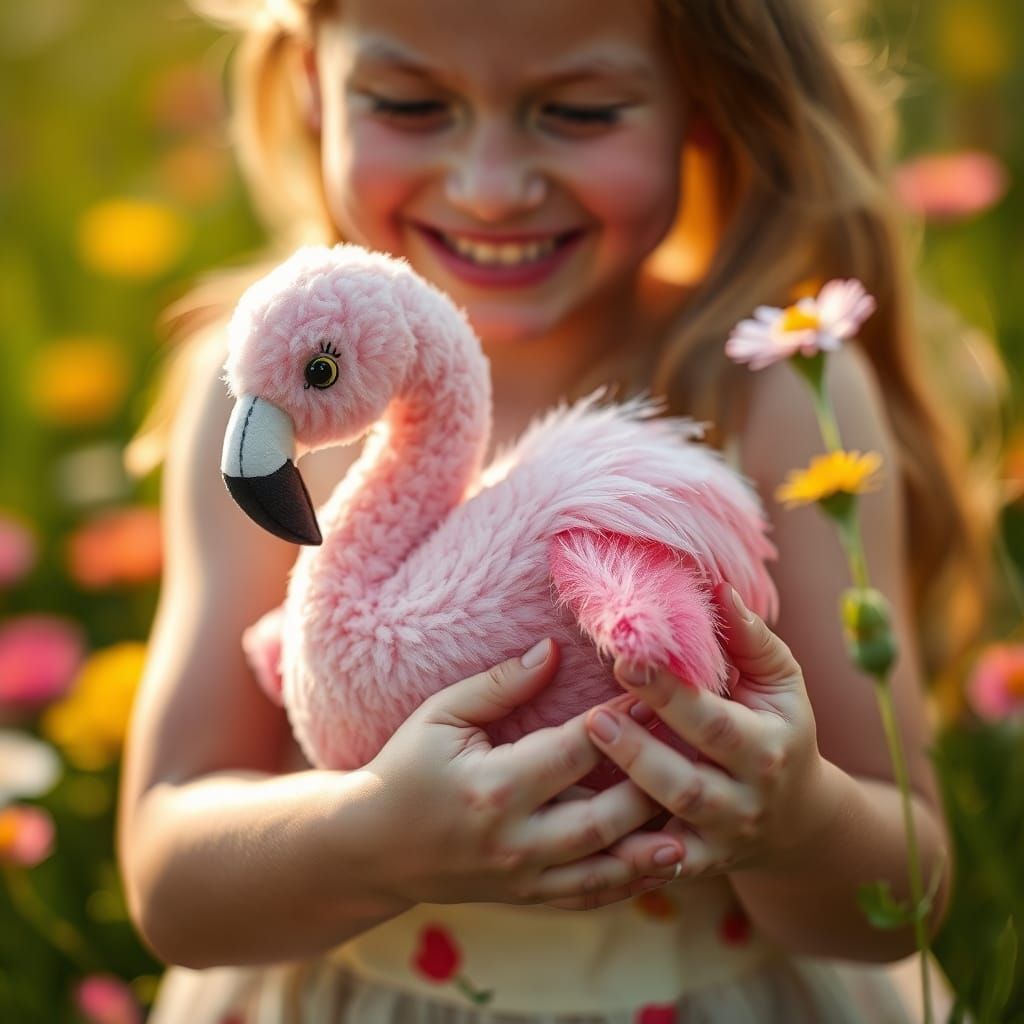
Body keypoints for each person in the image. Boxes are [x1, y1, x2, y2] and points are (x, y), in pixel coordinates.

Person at [117, 1, 997, 1021]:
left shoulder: (776, 389)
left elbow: (903, 889)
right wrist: (365, 839)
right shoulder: (280, 402)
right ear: (315, 83)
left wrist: (793, 820)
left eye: (578, 111)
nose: (489, 187)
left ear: (703, 102)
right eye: (409, 103)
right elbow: (168, 877)